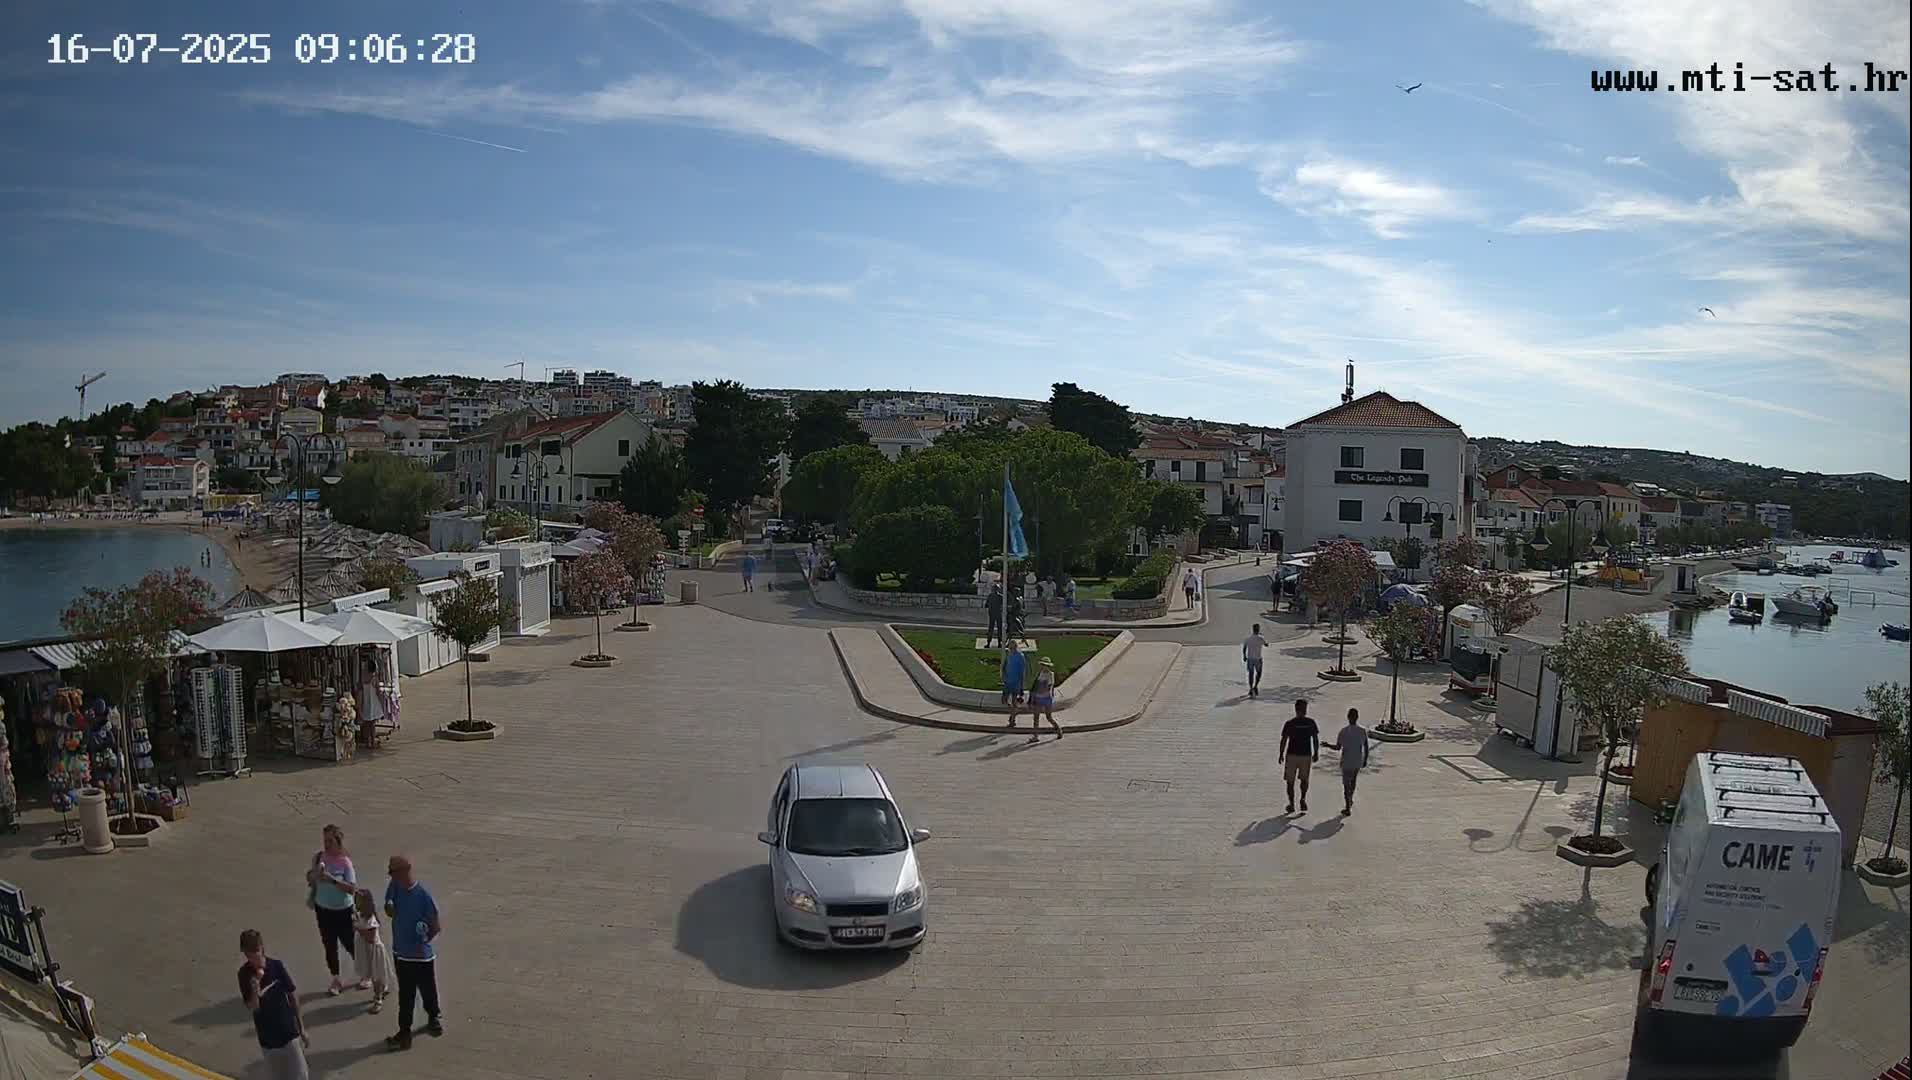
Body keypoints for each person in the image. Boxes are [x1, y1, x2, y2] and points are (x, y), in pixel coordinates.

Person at [384, 855, 443, 1051]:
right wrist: (389, 908)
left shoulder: (423, 896)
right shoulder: (394, 887)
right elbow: (388, 906)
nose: (392, 875)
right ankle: (404, 1033)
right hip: (401, 954)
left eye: (394, 871)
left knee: (428, 989)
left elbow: (435, 926)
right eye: (391, 872)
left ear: (406, 869)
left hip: (421, 956)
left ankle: (433, 1016)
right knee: (405, 996)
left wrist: (424, 940)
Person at [238, 929, 309, 1080]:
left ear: (262, 947)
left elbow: (292, 994)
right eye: (249, 955)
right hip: (268, 1041)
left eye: (256, 951)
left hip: (289, 1034)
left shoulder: (276, 966)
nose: (254, 957)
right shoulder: (244, 975)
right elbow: (253, 1007)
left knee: (301, 1076)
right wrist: (255, 988)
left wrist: (301, 1028)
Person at [306, 824, 359, 995]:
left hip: (343, 910)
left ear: (338, 842)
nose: (326, 845)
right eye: (324, 841)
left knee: (351, 944)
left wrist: (331, 880)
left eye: (330, 841)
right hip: (323, 909)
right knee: (329, 945)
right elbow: (311, 879)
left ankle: (366, 973)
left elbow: (351, 888)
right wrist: (313, 878)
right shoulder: (318, 857)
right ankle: (336, 979)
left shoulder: (345, 862)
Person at [353, 889, 395, 1013]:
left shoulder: (371, 918)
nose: (356, 902)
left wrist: (357, 927)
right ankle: (382, 988)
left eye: (359, 900)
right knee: (372, 974)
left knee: (377, 975)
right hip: (365, 950)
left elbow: (370, 938)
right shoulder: (359, 915)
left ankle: (378, 999)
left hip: (374, 951)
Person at [1324, 707, 1371, 816]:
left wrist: (1327, 745)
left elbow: (1337, 747)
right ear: (1357, 717)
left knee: (1346, 785)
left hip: (1346, 761)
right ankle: (1350, 799)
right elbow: (1366, 747)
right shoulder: (1362, 731)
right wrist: (1365, 759)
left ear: (1348, 718)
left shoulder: (1343, 731)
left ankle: (1347, 805)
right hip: (1357, 761)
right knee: (1353, 781)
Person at [1277, 698, 1320, 814]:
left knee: (1290, 781)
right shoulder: (1311, 723)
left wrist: (1281, 753)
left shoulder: (1290, 723)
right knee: (1304, 779)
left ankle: (1291, 804)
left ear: (1295, 709)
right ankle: (1303, 798)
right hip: (1305, 755)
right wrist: (1316, 753)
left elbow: (1284, 740)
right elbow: (1315, 739)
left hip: (1292, 755)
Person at [1026, 656, 1063, 743]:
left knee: (1049, 717)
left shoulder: (1050, 675)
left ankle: (1058, 730)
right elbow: (1036, 686)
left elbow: (1048, 687)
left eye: (1044, 665)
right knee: (1036, 717)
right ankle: (1035, 736)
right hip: (1038, 698)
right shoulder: (1040, 673)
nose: (1043, 666)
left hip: (1046, 698)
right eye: (1042, 665)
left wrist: (1041, 688)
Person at [1000, 645, 1027, 730]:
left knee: (1014, 702)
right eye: (1009, 648)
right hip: (1007, 682)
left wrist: (1022, 686)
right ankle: (1014, 711)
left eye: (1011, 648)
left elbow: (1022, 672)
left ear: (1015, 647)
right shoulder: (1009, 654)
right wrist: (1004, 676)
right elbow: (1006, 666)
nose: (1010, 649)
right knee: (1004, 700)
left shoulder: (1020, 656)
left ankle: (1012, 720)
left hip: (1016, 683)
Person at [1241, 623, 1268, 697]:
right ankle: (1255, 686)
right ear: (1258, 629)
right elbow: (1266, 644)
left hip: (1250, 659)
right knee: (1259, 673)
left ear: (1252, 629)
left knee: (1251, 674)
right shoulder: (1260, 638)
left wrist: (1244, 656)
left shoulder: (1248, 638)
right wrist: (1263, 637)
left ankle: (1250, 688)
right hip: (1258, 659)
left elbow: (1244, 648)